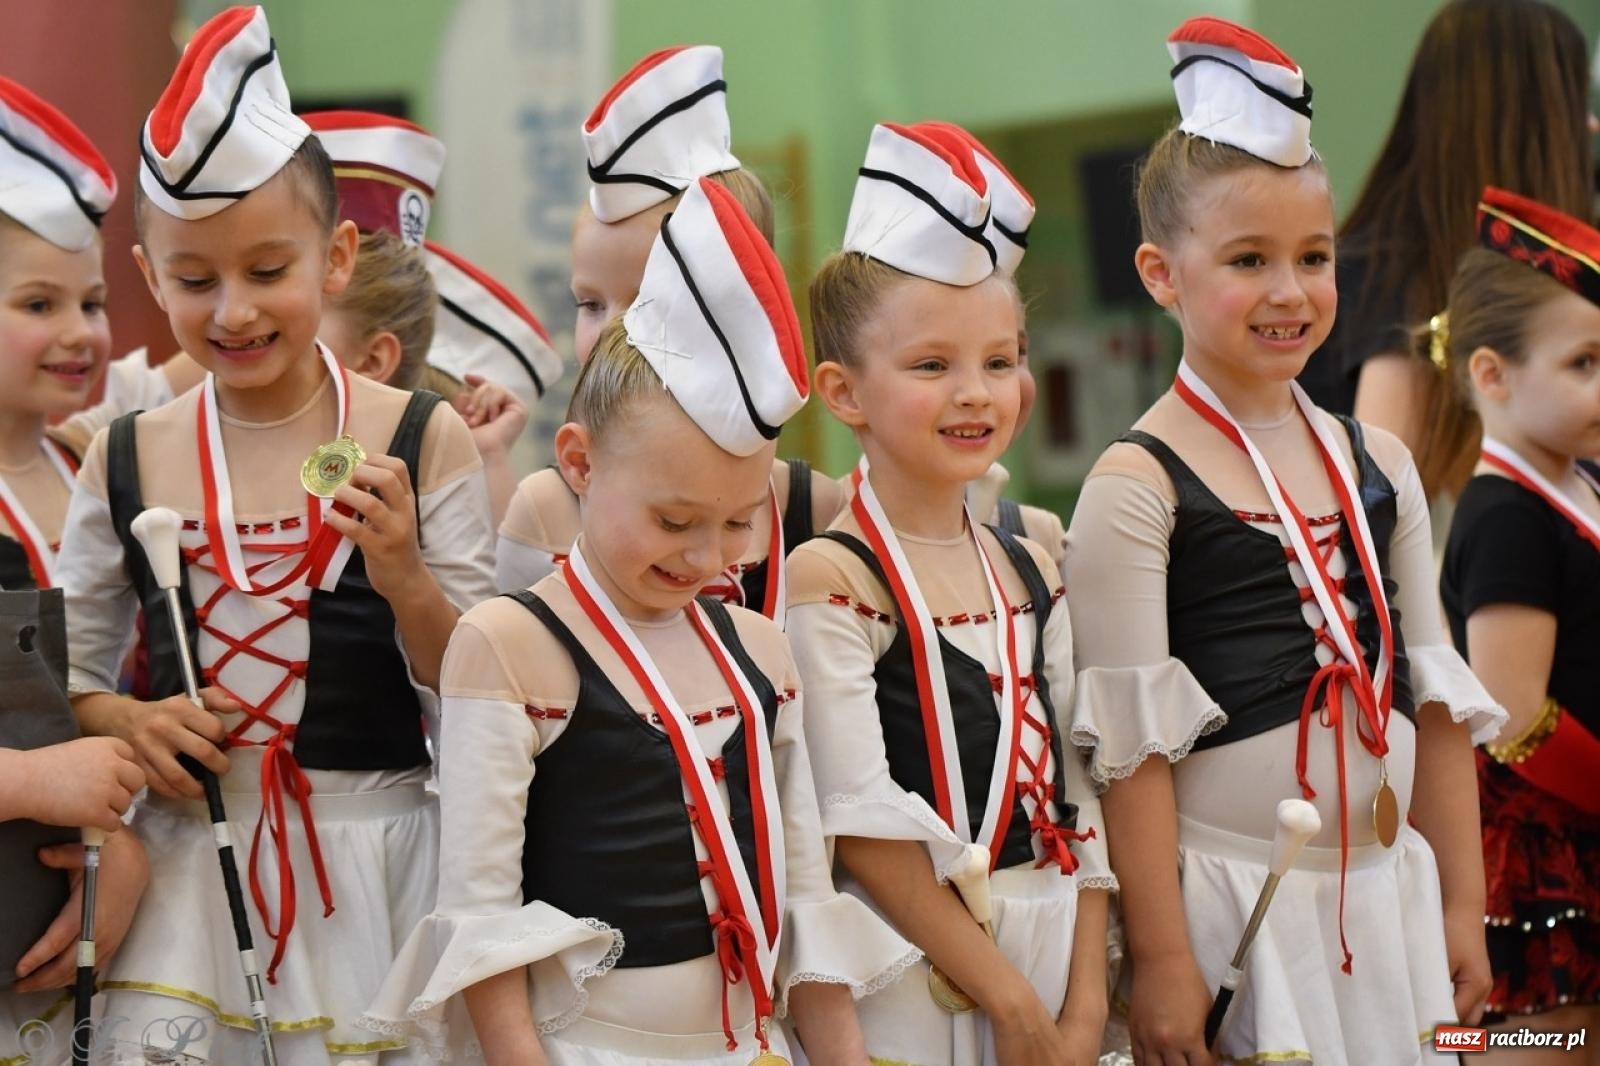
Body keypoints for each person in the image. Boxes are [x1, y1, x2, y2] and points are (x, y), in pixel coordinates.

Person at [364, 176, 916, 1065]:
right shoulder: (505, 646)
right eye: (672, 521)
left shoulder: (762, 650)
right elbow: (480, 914)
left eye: (739, 521)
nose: (705, 557)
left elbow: (806, 895)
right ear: (578, 462)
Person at [1063, 18, 1505, 1064]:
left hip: (1392, 892)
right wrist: (1164, 964)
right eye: (1247, 259)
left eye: (1314, 257)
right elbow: (1132, 758)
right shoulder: (1134, 485)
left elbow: (1432, 700)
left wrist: (1460, 898)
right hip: (1239, 911)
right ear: (1160, 274)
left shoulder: (1377, 461)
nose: (1289, 291)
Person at [57, 8, 495, 1061]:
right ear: (151, 277)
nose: (235, 311)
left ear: (336, 256)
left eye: (267, 271)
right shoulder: (123, 454)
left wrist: (402, 578)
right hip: (184, 873)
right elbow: (62, 674)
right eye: (196, 280)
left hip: (386, 864)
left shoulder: (422, 437)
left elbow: (481, 689)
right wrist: (126, 718)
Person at [787, 120, 1113, 1066]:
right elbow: (861, 828)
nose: (976, 393)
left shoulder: (1033, 557)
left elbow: (1080, 789)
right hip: (916, 976)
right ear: (844, 393)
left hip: (1057, 961)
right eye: (933, 366)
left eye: (1000, 362)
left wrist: (1086, 1001)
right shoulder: (833, 576)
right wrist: (1009, 1001)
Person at [498, 44, 842, 619]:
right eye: (588, 302)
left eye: (645, 303)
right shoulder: (545, 508)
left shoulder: (814, 508)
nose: (611, 332)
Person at [1297, 0, 1593, 504]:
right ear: (1525, 123)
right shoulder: (1393, 274)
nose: (1589, 126)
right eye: (1574, 104)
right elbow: (1380, 505)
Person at [1438, 188, 1600, 1058]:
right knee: (1546, 1042)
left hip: (1584, 825)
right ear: (1491, 374)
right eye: (1584, 364)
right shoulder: (1504, 514)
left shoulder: (1579, 481)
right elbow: (1513, 715)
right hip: (1542, 847)